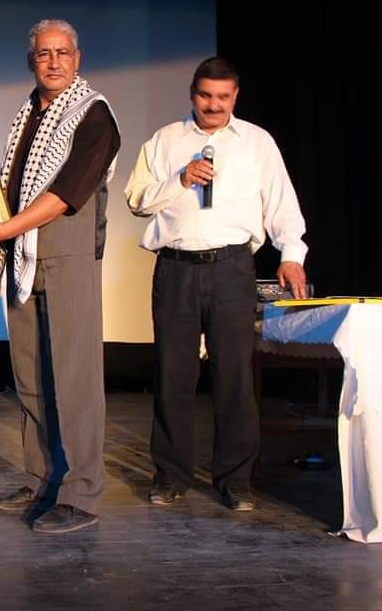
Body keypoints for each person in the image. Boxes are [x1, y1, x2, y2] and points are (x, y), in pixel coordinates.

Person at [124, 57, 308, 511]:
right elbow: (137, 200)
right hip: (176, 267)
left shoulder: (257, 143)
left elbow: (281, 203)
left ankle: (235, 480)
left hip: (231, 267)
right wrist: (179, 178)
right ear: (193, 93)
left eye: (223, 97)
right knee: (173, 375)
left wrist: (292, 255)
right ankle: (170, 475)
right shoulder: (166, 140)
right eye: (205, 96)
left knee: (234, 377)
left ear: (235, 96)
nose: (213, 105)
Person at [0, 19, 120, 534]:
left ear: (78, 58)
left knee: (75, 381)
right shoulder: (30, 113)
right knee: (30, 378)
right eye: (44, 54)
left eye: (62, 53)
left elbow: (64, 193)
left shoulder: (93, 114)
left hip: (66, 256)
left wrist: (4, 228)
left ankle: (82, 493)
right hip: (24, 257)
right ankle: (41, 478)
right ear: (31, 60)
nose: (53, 62)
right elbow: (16, 185)